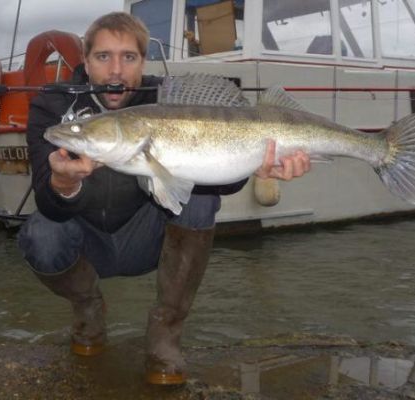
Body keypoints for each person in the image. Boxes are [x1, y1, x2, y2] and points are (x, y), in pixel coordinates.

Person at [18, 11, 310, 385]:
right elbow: (47, 200)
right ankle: (87, 309)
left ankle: (165, 335)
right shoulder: (52, 107)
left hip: (148, 243)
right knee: (40, 233)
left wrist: (256, 165)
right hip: (85, 245)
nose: (116, 71)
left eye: (129, 57)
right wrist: (63, 181)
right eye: (103, 56)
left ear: (143, 61)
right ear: (86, 61)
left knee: (200, 199)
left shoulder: (168, 100)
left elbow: (214, 183)